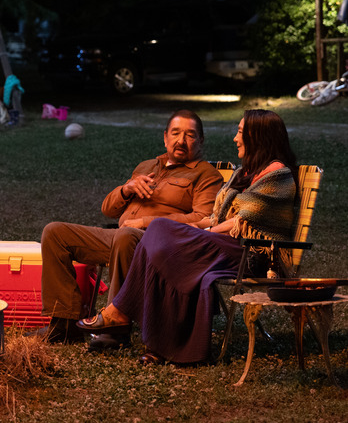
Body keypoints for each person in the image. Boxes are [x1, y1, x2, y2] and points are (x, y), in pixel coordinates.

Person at [79, 109, 298, 365]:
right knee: (163, 238)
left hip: (250, 255)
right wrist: (197, 231)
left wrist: (198, 234)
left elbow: (240, 223)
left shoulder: (277, 176)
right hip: (222, 246)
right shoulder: (244, 173)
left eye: (240, 132)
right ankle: (160, 345)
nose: (235, 139)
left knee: (163, 235)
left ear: (258, 137)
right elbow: (216, 218)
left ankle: (119, 310)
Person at [40, 110, 223, 346]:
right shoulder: (147, 166)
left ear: (200, 141)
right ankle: (64, 324)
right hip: (119, 238)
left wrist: (145, 223)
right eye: (176, 133)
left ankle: (116, 326)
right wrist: (127, 189)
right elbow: (108, 210)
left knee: (126, 235)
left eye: (190, 135)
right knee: (55, 233)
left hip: (160, 245)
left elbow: (203, 218)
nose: (181, 140)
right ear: (165, 137)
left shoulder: (206, 175)